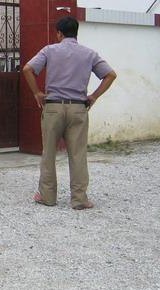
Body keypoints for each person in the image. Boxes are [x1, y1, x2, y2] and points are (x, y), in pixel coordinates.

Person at [22, 16, 117, 210]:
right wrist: (93, 96)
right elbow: (110, 75)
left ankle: (47, 196)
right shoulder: (89, 54)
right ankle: (80, 199)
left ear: (59, 33)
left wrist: (37, 93)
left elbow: (28, 69)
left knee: (48, 153)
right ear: (76, 33)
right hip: (78, 108)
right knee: (78, 154)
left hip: (53, 107)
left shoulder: (49, 50)